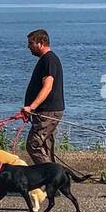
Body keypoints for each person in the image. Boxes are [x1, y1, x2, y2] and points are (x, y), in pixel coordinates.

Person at [21, 28, 64, 164]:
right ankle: (54, 181)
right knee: (45, 146)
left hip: (48, 111)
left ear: (41, 42)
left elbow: (48, 86)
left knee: (34, 144)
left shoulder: (49, 60)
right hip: (45, 111)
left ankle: (49, 177)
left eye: (31, 43)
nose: (28, 47)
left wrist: (31, 107)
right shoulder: (46, 60)